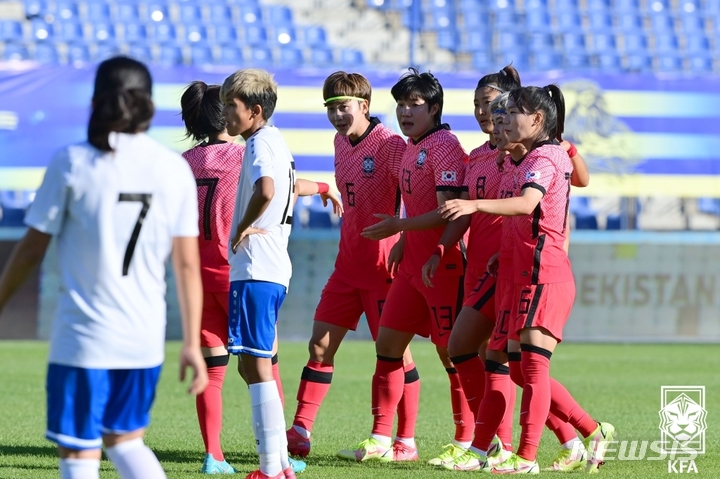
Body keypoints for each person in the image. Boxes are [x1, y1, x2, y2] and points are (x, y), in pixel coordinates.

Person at [0, 56, 208, 479]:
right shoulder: (172, 168)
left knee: (78, 456)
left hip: (84, 340)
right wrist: (190, 342)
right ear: (149, 102)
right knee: (126, 442)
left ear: (95, 101)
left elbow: (29, 252)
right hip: (144, 341)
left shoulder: (73, 161)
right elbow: (187, 265)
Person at [440, 84, 613, 474]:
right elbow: (529, 219)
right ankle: (586, 430)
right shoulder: (514, 159)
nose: (499, 118)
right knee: (508, 366)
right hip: (514, 272)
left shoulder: (548, 155)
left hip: (542, 274)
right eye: (495, 112)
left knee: (529, 367)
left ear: (536, 119)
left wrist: (474, 203)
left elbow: (527, 204)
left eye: (509, 111)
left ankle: (526, 454)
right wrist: (504, 253)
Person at [337, 68, 470, 464]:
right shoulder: (412, 145)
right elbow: (417, 204)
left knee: (454, 355)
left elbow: (448, 211)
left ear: (433, 108)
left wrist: (401, 228)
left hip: (442, 266)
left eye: (414, 105)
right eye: (400, 104)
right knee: (388, 346)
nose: (405, 112)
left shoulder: (445, 145)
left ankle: (468, 442)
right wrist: (405, 242)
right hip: (412, 266)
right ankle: (388, 439)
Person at [286, 71, 420, 461]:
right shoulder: (339, 142)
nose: (337, 116)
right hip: (348, 266)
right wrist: (327, 189)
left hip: (384, 269)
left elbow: (416, 197)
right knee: (320, 346)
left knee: (395, 356)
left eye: (342, 107)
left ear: (364, 105)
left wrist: (407, 241)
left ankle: (403, 441)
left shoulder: (392, 145)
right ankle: (299, 431)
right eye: (330, 108)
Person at [420, 67, 520, 467]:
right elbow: (461, 214)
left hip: (509, 269)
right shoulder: (475, 156)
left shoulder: (521, 156)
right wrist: (442, 248)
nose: (483, 111)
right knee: (471, 352)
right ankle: (493, 442)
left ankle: (504, 444)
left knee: (510, 361)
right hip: (477, 267)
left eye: (492, 104)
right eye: (478, 104)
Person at [221, 68, 298, 479]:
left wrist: (244, 225)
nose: (225, 115)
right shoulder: (275, 141)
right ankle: (281, 463)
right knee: (252, 363)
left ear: (253, 110)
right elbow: (285, 187)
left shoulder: (258, 145)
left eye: (230, 107)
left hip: (256, 267)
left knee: (255, 364)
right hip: (270, 266)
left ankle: (271, 466)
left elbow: (267, 189)